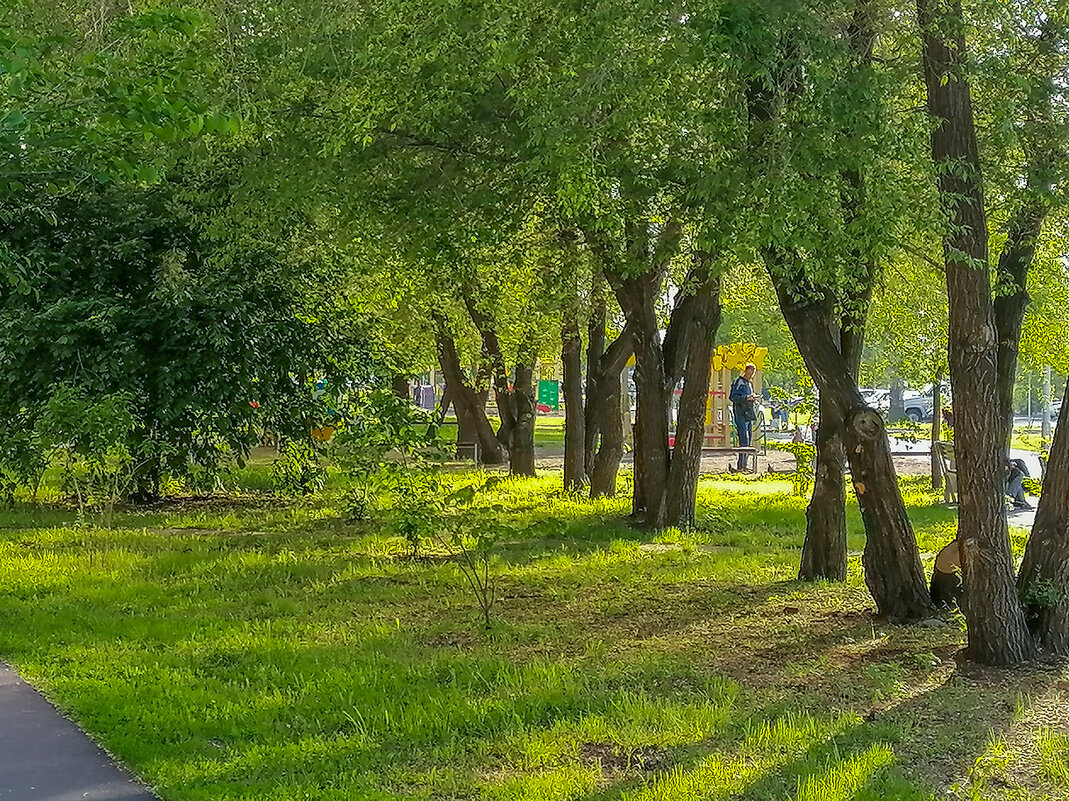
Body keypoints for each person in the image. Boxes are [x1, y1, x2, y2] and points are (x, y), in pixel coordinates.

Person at [729, 363, 758, 472]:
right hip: (740, 413)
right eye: (749, 373)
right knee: (743, 438)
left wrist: (752, 399)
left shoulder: (749, 384)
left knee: (749, 438)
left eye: (752, 374)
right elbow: (733, 397)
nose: (750, 375)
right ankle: (741, 465)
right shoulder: (739, 382)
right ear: (745, 371)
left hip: (748, 413)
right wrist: (746, 398)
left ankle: (744, 464)